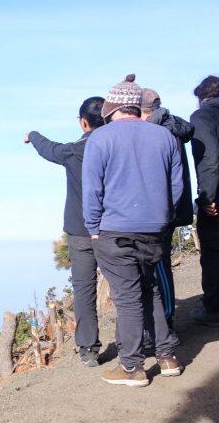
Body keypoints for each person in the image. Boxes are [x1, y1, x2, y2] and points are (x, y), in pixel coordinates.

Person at [83, 74, 183, 387]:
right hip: (155, 229)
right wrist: (163, 219)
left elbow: (92, 190)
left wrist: (93, 227)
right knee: (149, 288)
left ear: (112, 108)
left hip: (114, 231)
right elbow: (176, 186)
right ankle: (167, 357)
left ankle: (132, 368)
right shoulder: (164, 137)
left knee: (127, 298)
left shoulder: (101, 139)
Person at [25, 96, 105, 367]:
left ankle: (88, 350)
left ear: (84, 123)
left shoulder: (74, 151)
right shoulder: (119, 147)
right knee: (129, 285)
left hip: (81, 231)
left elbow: (49, 148)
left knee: (84, 290)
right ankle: (144, 340)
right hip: (115, 228)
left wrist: (32, 136)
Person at [141, 88, 194, 326]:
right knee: (160, 267)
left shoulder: (158, 132)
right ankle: (165, 321)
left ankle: (167, 323)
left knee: (160, 268)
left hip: (161, 211)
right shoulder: (171, 127)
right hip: (168, 209)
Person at [189, 75, 219, 324]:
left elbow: (209, 160)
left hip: (217, 195)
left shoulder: (202, 117)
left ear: (202, 98)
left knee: (212, 250)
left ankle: (214, 307)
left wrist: (207, 197)